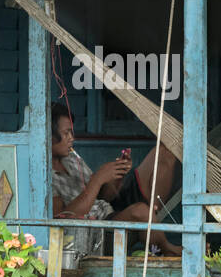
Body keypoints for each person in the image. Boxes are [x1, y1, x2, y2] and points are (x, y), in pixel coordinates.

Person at [50, 102, 182, 256]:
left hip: (107, 216)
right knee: (141, 211)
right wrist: (98, 179)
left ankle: (154, 229)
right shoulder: (44, 176)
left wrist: (116, 175)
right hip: (90, 236)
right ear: (50, 136)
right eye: (66, 133)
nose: (71, 138)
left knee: (165, 152)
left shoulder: (71, 158)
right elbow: (61, 219)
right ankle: (168, 250)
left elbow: (103, 197)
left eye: (71, 132)